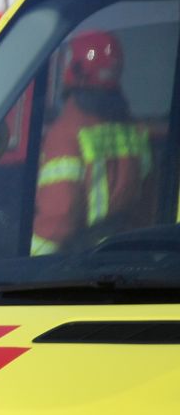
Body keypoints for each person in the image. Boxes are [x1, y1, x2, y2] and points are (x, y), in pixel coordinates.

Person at [32, 28, 153, 256]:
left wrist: (25, 262)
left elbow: (59, 216)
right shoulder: (132, 127)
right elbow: (147, 196)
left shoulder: (67, 131)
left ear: (73, 67)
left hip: (83, 261)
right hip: (127, 254)